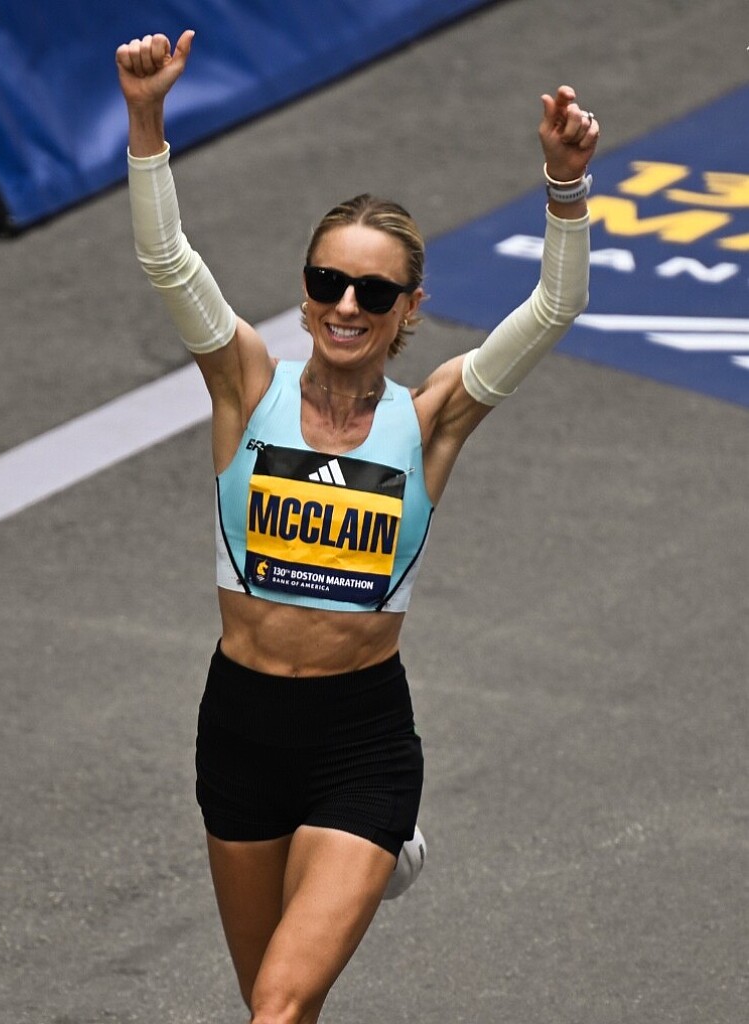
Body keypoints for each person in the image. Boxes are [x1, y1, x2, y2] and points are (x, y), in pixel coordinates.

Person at [116, 29, 599, 1024]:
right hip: (239, 730)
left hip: (359, 738)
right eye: (326, 282)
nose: (344, 304)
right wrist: (146, 118)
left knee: (278, 1004)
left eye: (372, 292)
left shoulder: (429, 419)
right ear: (305, 290)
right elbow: (166, 258)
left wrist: (564, 187)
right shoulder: (246, 386)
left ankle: (376, 838)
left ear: (407, 308)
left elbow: (555, 306)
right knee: (274, 1005)